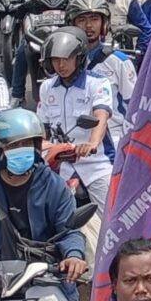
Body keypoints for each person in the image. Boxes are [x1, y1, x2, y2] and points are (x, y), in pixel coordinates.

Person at [0, 109, 93, 281]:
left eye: (26, 144)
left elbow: (69, 231)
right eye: (13, 146)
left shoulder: (54, 186)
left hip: (45, 277)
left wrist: (73, 256)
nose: (21, 150)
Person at [33, 29, 124, 204]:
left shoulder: (98, 83)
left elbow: (101, 115)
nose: (61, 65)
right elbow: (42, 128)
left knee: (110, 220)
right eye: (56, 59)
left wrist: (92, 143)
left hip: (96, 164)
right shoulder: (46, 87)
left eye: (67, 58)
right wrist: (43, 147)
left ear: (79, 58)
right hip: (60, 165)